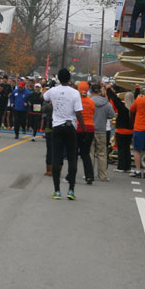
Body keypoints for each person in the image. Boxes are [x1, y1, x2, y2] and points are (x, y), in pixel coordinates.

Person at [43, 68, 86, 200]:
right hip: (70, 126)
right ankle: (71, 190)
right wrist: (83, 129)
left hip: (57, 126)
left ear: (58, 79)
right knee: (72, 158)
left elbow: (44, 97)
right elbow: (78, 112)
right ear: (69, 78)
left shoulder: (53, 91)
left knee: (57, 158)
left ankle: (57, 191)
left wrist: (52, 88)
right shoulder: (75, 93)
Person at [90, 83, 116, 181]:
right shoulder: (106, 103)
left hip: (90, 129)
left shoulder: (89, 102)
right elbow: (112, 115)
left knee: (90, 153)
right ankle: (103, 175)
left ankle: (89, 174)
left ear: (91, 91)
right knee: (102, 154)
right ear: (100, 91)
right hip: (102, 130)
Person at [77, 86, 96, 184]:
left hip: (79, 127)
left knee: (73, 153)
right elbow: (93, 112)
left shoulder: (77, 101)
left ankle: (70, 176)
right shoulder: (91, 101)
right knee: (86, 153)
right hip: (90, 127)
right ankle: (89, 176)